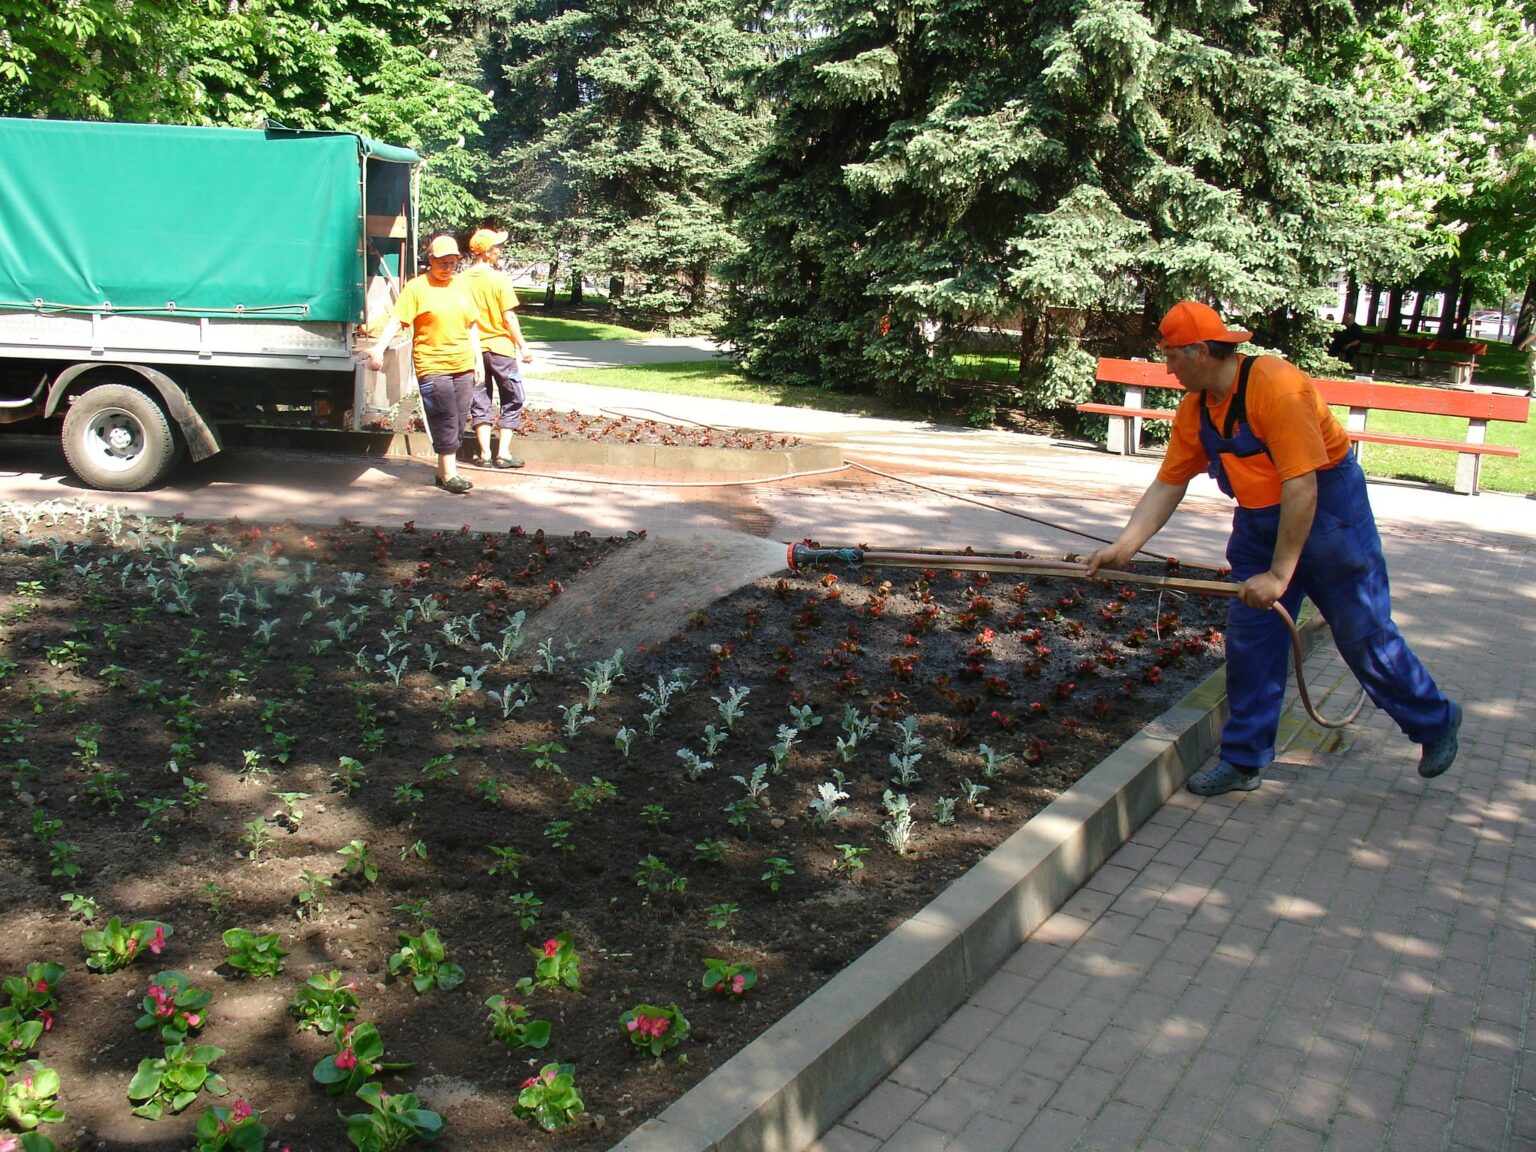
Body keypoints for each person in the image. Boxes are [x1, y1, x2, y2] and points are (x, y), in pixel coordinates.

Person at [1086, 301, 1462, 796]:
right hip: (1259, 524)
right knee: (1252, 645)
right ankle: (1243, 760)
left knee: (1362, 633)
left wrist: (1280, 576)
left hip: (1329, 516)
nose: (1169, 369)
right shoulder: (1196, 410)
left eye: (1172, 357)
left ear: (1200, 352)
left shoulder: (1275, 386)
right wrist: (1125, 546)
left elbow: (1302, 486)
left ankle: (1434, 721)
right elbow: (1169, 482)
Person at [367, 234, 482, 494]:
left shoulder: (462, 287)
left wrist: (479, 361)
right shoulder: (417, 288)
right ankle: (450, 474)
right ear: (431, 259)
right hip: (433, 365)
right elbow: (398, 320)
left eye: (452, 262)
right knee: (445, 416)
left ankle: (443, 473)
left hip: (463, 363)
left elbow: (472, 325)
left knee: (459, 417)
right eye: (442, 262)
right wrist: (378, 348)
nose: (447, 268)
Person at [461, 227, 533, 469]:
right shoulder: (499, 279)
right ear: (487, 252)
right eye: (498, 247)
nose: (500, 251)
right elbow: (508, 317)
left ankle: (484, 454)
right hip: (501, 349)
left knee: (479, 399)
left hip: (473, 351)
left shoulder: (459, 281)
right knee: (513, 397)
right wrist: (523, 347)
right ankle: (503, 453)